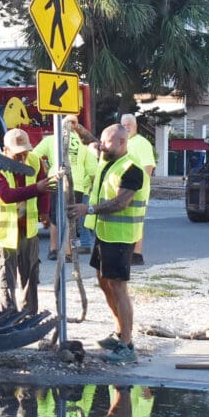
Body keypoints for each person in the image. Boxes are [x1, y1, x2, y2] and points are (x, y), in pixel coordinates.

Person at [68, 124, 148, 364]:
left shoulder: (131, 168)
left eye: (107, 143)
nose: (102, 146)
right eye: (102, 142)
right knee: (105, 283)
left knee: (119, 288)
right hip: (105, 234)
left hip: (121, 237)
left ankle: (127, 345)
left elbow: (121, 202)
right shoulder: (109, 158)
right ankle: (120, 332)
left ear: (122, 142)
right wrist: (77, 128)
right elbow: (92, 142)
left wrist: (88, 209)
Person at [0, 128, 54, 315]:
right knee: (5, 280)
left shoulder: (35, 161)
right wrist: (36, 189)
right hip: (3, 234)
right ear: (5, 149)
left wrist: (44, 212)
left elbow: (45, 187)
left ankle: (28, 315)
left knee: (30, 277)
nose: (23, 157)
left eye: (26, 151)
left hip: (27, 230)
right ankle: (7, 316)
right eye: (18, 154)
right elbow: (7, 195)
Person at [32, 115, 97, 262]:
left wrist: (45, 169)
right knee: (70, 218)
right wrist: (92, 188)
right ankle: (68, 251)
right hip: (77, 184)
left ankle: (54, 249)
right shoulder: (82, 145)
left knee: (55, 217)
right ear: (75, 127)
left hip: (56, 181)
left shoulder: (51, 140)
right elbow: (93, 170)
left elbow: (34, 156)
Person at [120, 113, 155, 265]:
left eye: (130, 124)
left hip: (137, 190)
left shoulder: (142, 143)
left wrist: (138, 186)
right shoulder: (122, 142)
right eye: (124, 124)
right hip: (124, 189)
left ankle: (136, 254)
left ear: (136, 126)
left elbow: (148, 167)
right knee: (125, 222)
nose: (127, 127)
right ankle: (127, 252)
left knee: (136, 222)